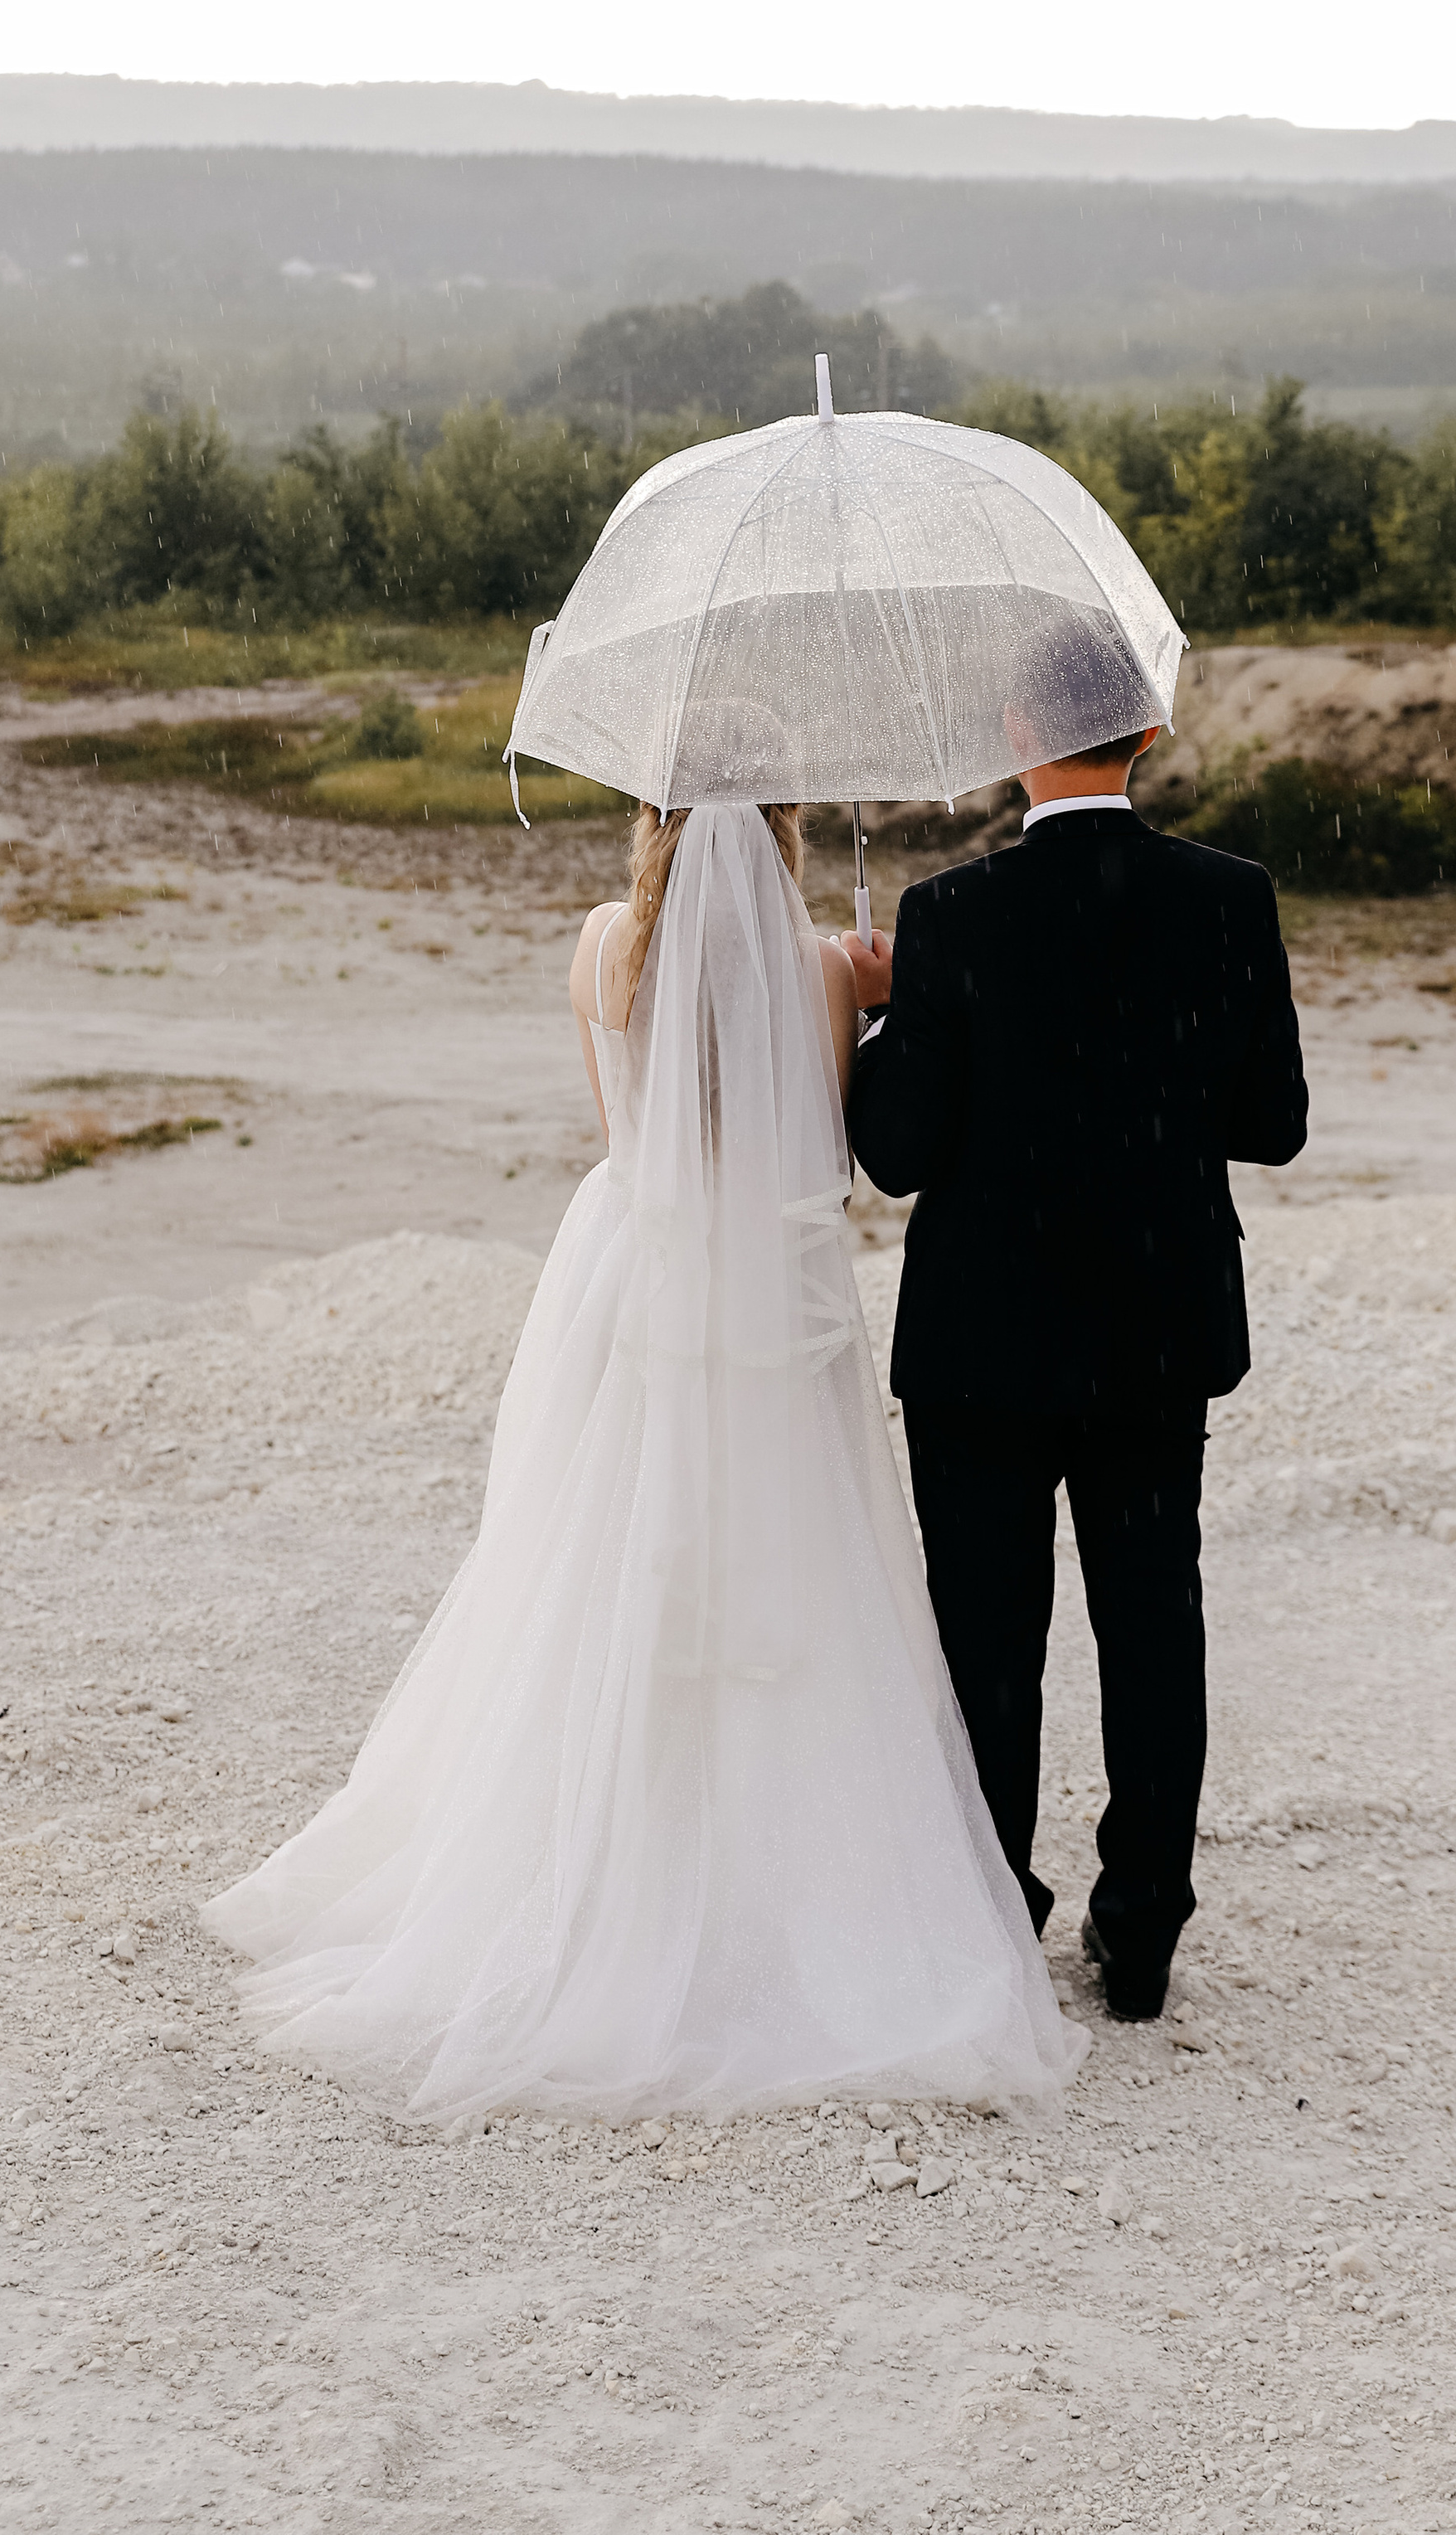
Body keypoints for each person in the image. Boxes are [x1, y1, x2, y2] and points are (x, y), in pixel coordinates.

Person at [205, 799, 1083, 2121]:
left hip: (639, 1274)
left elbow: (632, 1135)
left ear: (654, 814)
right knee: (791, 1556)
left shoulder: (605, 946)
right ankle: (784, 1873)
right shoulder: (823, 969)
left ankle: (592, 1844)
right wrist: (868, 1002)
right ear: (781, 830)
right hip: (773, 1290)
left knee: (594, 1547)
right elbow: (831, 1156)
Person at [842, 694, 1308, 2024]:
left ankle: (998, 1914)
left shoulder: (950, 913)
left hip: (982, 1341)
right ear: (1146, 733)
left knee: (989, 1642)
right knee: (1152, 1627)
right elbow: (1273, 1124)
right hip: (1157, 1330)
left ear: (1013, 732)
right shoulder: (1230, 897)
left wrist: (880, 1020)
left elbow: (898, 1156)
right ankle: (1142, 1931)